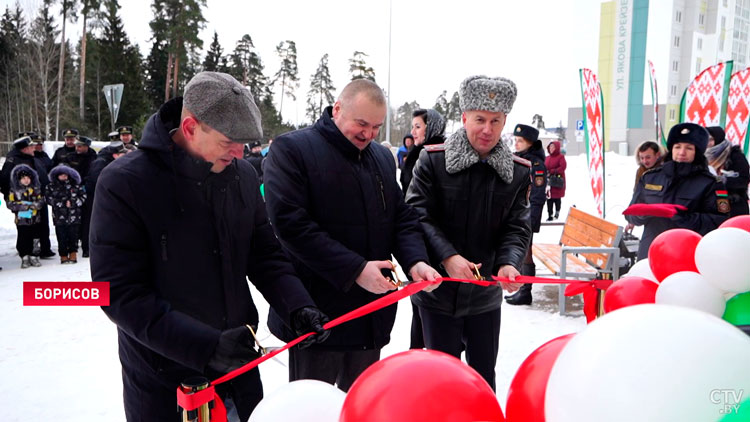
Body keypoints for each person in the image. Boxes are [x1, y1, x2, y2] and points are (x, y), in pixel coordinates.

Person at [90, 71, 330, 421]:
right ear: (190, 128)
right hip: (166, 379)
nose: (240, 152)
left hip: (238, 370)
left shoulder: (243, 176)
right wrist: (205, 347)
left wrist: (297, 306)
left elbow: (266, 256)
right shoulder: (125, 184)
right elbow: (117, 292)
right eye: (229, 141)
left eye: (245, 143)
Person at [263, 79, 440, 392]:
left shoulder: (381, 158)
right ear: (337, 109)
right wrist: (355, 269)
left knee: (361, 404)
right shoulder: (292, 150)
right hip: (317, 315)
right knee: (313, 410)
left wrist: (416, 261)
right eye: (361, 124)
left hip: (370, 315)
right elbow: (291, 225)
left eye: (376, 127)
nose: (368, 134)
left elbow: (401, 217)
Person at [405, 75, 531, 390]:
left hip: (484, 297)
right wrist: (447, 257)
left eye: (495, 121)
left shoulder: (517, 172)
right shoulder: (433, 160)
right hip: (437, 294)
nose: (487, 129)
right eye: (479, 119)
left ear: (504, 123)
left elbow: (517, 226)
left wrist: (509, 262)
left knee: (482, 380)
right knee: (440, 380)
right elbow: (417, 214)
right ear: (464, 118)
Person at [626, 123, 730, 260]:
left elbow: (720, 220)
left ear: (697, 152)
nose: (681, 152)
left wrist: (684, 218)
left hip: (687, 254)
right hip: (650, 252)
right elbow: (631, 214)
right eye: (677, 147)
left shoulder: (711, 183)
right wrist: (643, 213)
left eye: (689, 148)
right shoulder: (650, 177)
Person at [505, 123, 547, 306]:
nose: (517, 144)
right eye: (516, 140)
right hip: (516, 215)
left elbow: (537, 196)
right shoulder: (518, 159)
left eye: (520, 141)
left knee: (526, 253)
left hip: (527, 216)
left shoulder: (536, 165)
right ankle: (522, 289)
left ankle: (525, 292)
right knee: (520, 252)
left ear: (530, 143)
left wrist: (531, 221)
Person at [1, 135, 56, 259]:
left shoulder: (33, 158)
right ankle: (26, 252)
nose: (34, 147)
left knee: (41, 224)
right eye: (31, 146)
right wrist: (10, 198)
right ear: (24, 149)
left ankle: (43, 249)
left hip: (38, 199)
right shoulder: (14, 160)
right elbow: (4, 180)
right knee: (25, 227)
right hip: (22, 202)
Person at [6, 161, 44, 268]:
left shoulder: (36, 189)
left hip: (35, 219)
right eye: (23, 178)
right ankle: (24, 256)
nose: (26, 180)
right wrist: (24, 206)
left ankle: (34, 255)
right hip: (22, 220)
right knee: (23, 238)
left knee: (35, 238)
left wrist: (35, 205)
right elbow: (10, 204)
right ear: (19, 179)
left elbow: (41, 201)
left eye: (28, 178)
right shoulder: (14, 191)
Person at [46, 165, 86, 264]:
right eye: (61, 175)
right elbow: (48, 199)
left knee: (73, 236)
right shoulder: (51, 186)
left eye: (65, 175)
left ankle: (73, 253)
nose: (64, 177)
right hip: (59, 217)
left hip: (74, 216)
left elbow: (83, 196)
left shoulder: (75, 185)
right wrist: (61, 203)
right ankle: (63, 255)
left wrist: (74, 202)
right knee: (61, 237)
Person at [705, 126, 749, 216]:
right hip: (713, 201)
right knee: (718, 223)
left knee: (730, 225)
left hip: (734, 201)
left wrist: (721, 180)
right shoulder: (703, 156)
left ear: (718, 139)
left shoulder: (734, 155)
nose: (707, 143)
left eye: (710, 139)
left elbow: (744, 179)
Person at [400, 108, 446, 194]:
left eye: (417, 127)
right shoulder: (416, 153)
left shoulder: (438, 155)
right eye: (412, 127)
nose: (412, 132)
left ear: (431, 127)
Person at [625, 140, 666, 233]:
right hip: (648, 219)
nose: (644, 161)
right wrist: (631, 219)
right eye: (642, 158)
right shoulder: (641, 171)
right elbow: (637, 194)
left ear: (658, 155)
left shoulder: (666, 171)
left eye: (648, 157)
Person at [545, 140, 566, 221]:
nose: (551, 148)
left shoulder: (561, 157)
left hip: (557, 180)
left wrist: (553, 171)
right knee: (549, 198)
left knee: (557, 198)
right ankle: (550, 215)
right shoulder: (547, 158)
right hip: (549, 181)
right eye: (550, 147)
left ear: (557, 148)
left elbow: (563, 167)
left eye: (553, 147)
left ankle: (557, 213)